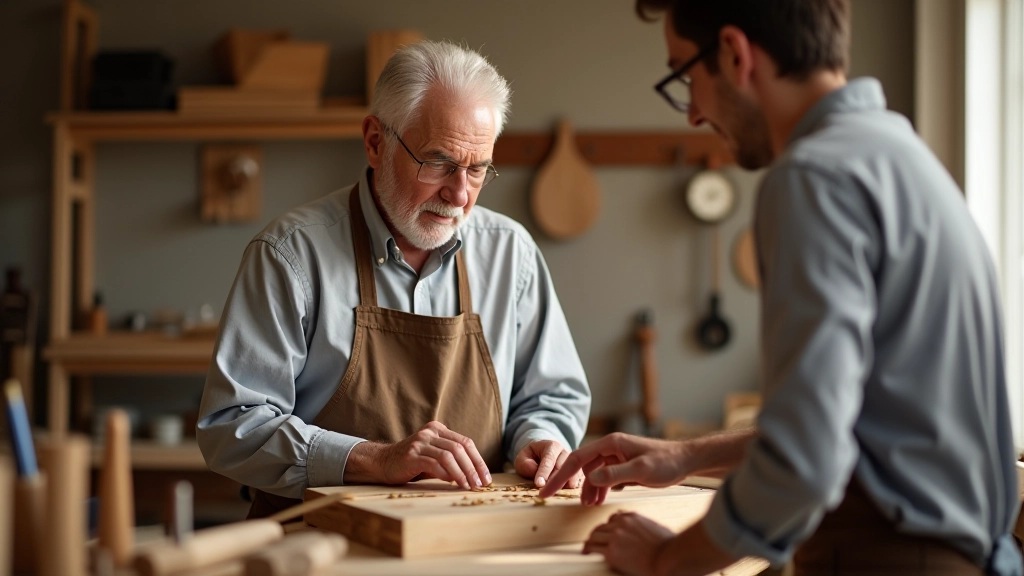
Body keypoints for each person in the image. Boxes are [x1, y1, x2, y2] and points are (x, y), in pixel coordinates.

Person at [540, 1, 1023, 575]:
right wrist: (685, 456)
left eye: (685, 76)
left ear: (734, 53)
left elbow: (806, 458)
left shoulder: (813, 179)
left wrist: (668, 558)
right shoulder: (902, 159)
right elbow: (857, 427)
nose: (692, 114)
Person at [197, 40, 591, 518]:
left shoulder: (511, 252)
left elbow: (551, 395)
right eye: (438, 162)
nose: (459, 194)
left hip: (468, 541)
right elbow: (230, 425)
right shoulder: (291, 254)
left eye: (478, 169)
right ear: (375, 141)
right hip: (318, 545)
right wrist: (374, 459)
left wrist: (541, 439)